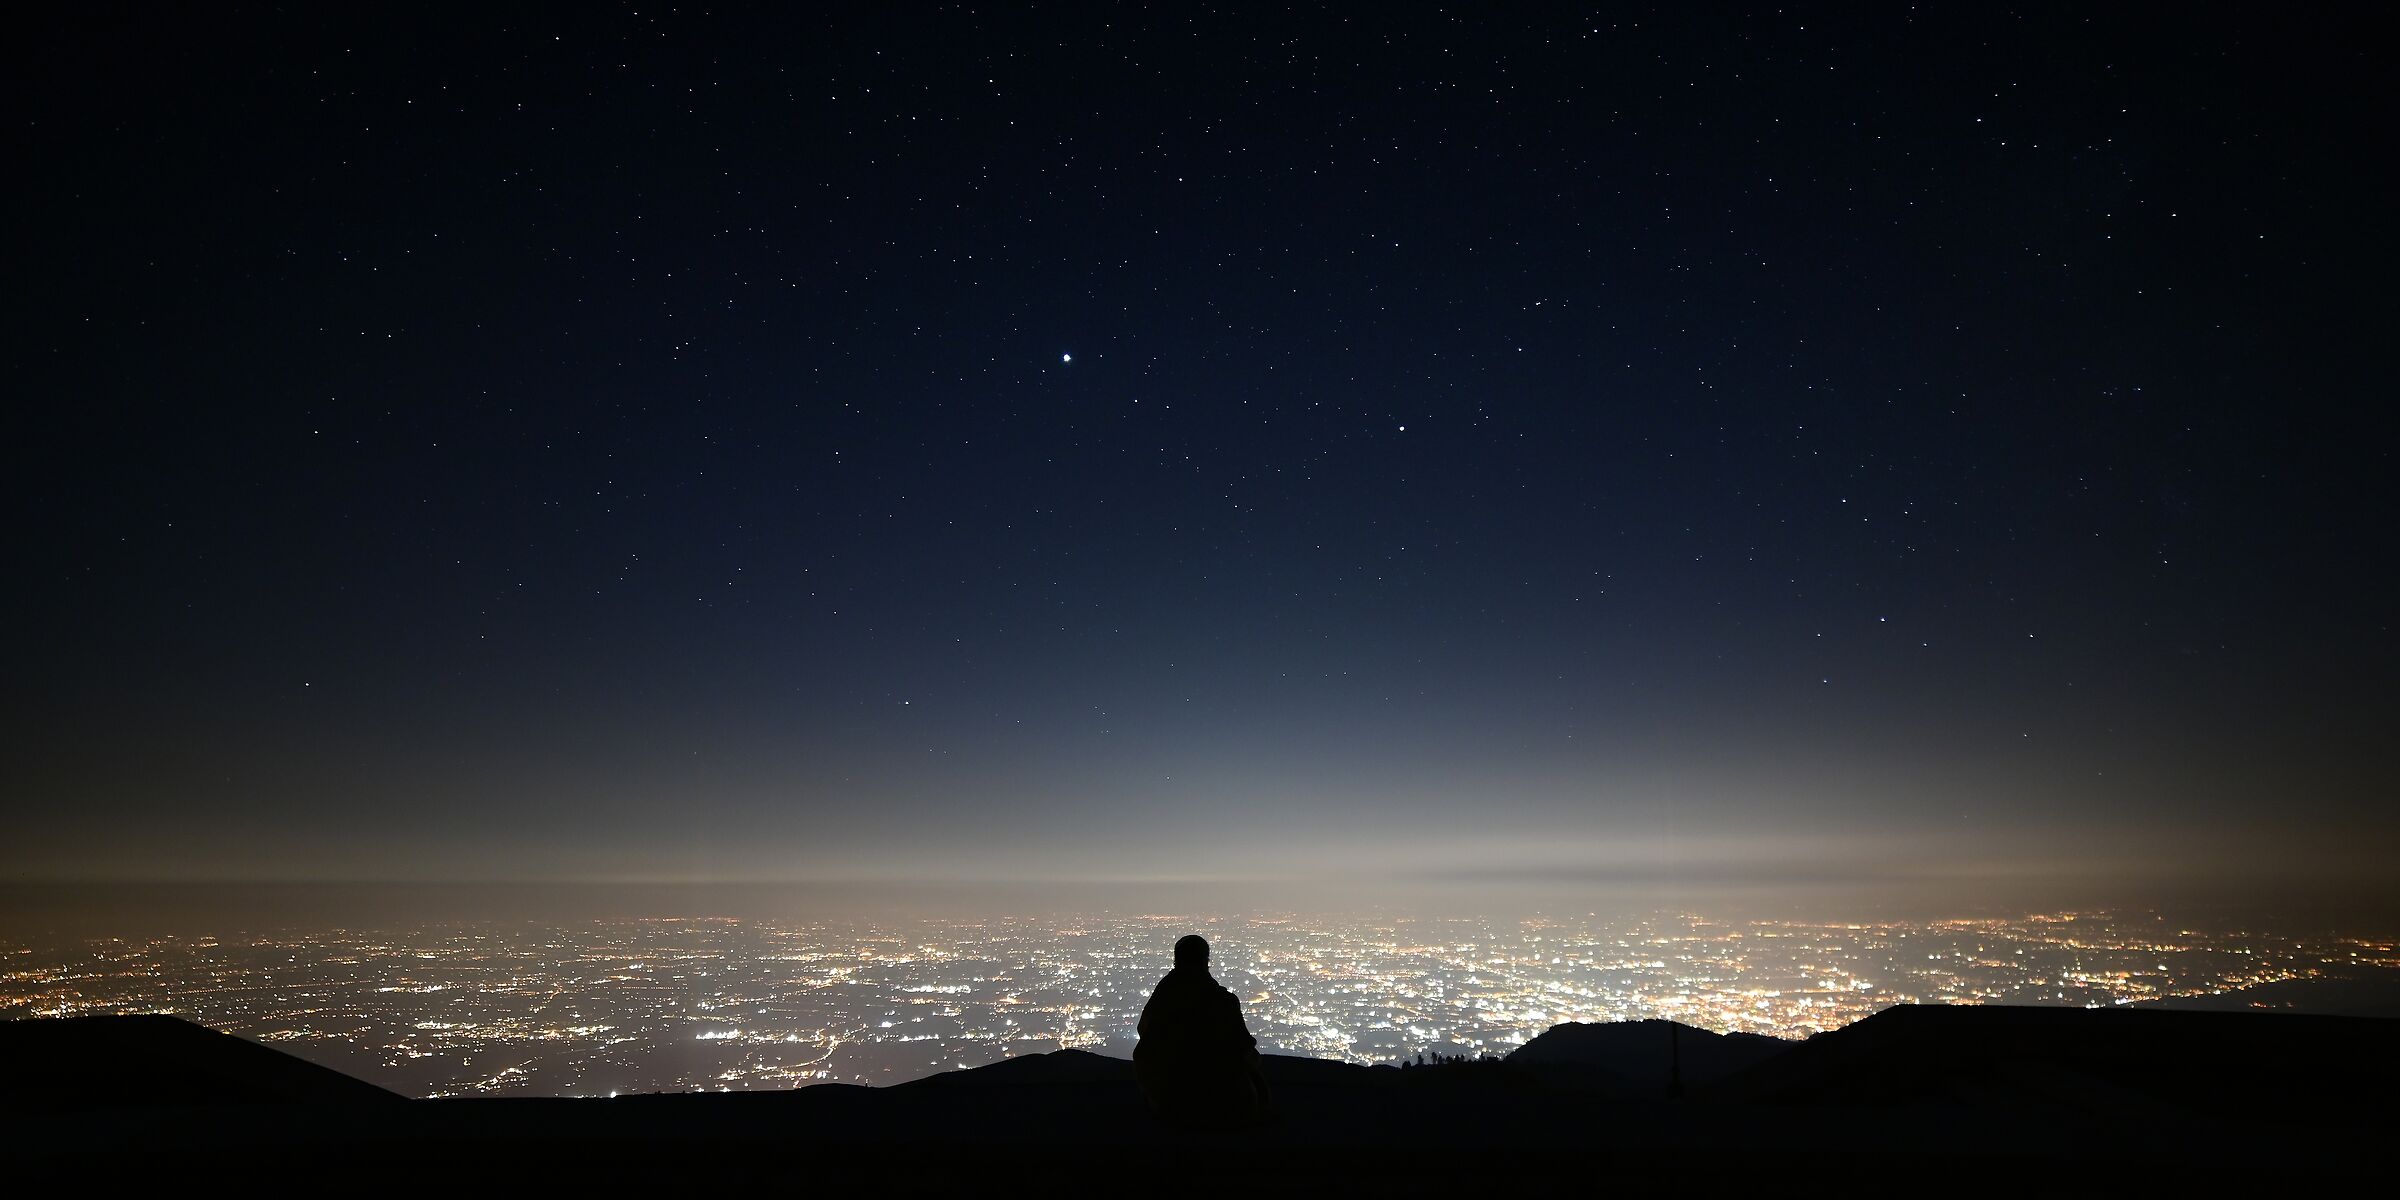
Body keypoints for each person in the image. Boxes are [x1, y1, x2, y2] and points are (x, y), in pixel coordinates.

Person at [1133, 934, 1270, 1127]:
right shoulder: (1223, 1002)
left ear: (1176, 961)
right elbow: (1243, 1049)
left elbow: (1146, 1039)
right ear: (1206, 961)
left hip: (1168, 1100)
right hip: (1221, 1102)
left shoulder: (1162, 999)